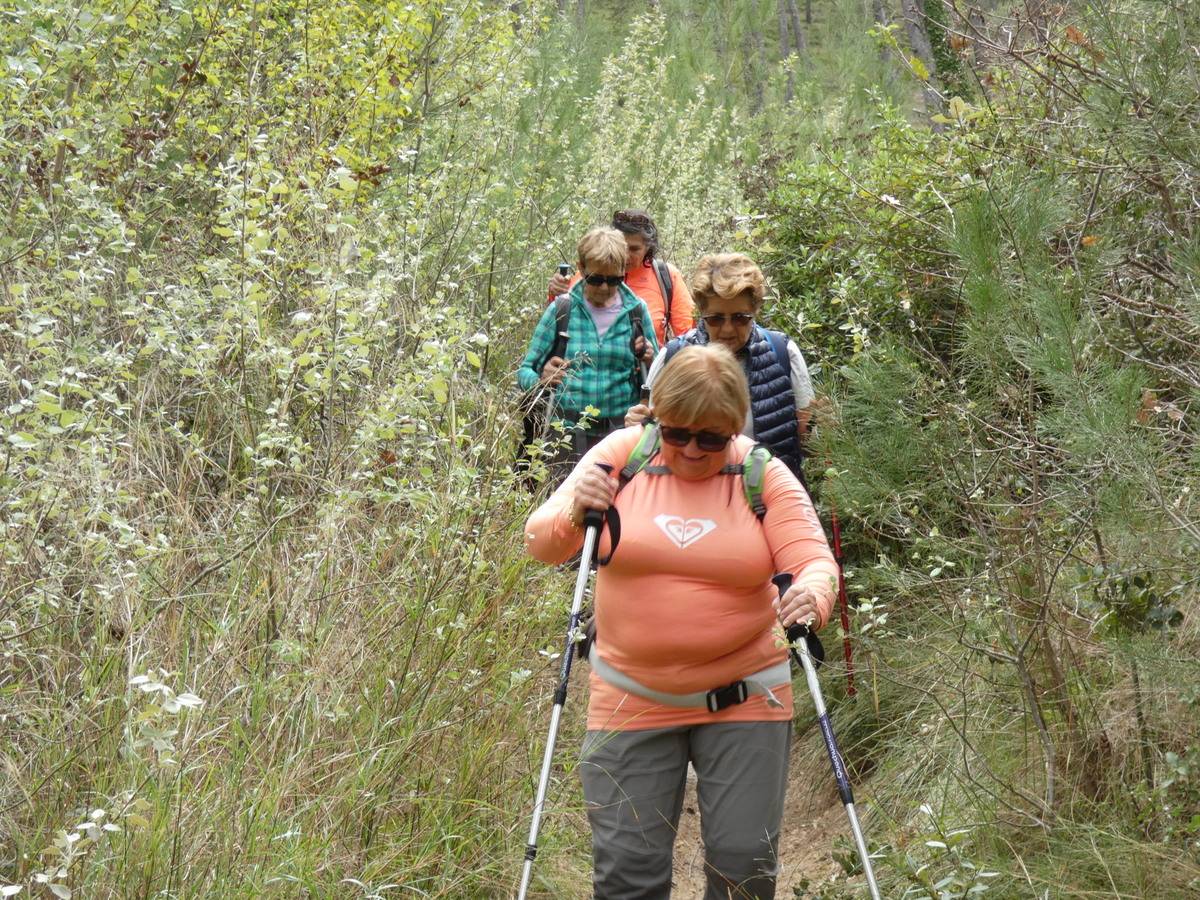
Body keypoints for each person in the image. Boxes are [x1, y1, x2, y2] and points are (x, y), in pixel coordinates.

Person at [524, 344, 838, 899]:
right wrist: (575, 509)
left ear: (735, 428)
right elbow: (543, 541)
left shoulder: (762, 473)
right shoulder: (623, 456)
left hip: (746, 694)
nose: (693, 449)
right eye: (678, 433)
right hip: (629, 693)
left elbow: (813, 561)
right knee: (627, 871)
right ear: (657, 417)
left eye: (712, 438)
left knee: (744, 866)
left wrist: (811, 596)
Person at [626, 252, 815, 485]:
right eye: (715, 318)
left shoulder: (782, 352)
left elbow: (809, 436)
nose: (727, 329)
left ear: (755, 311)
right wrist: (636, 426)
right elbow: (650, 431)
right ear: (702, 313)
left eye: (740, 318)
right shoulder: (674, 357)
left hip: (767, 496)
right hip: (692, 495)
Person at [518, 226, 657, 470]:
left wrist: (648, 357)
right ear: (581, 268)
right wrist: (542, 379)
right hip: (565, 434)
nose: (604, 287)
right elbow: (525, 371)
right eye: (596, 279)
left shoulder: (636, 311)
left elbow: (657, 377)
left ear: (624, 271)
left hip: (620, 433)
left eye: (613, 280)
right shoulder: (562, 309)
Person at [549, 209, 694, 345]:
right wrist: (554, 294)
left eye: (634, 249)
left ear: (648, 247)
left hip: (649, 369)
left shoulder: (666, 277)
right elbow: (554, 327)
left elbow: (687, 337)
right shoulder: (589, 276)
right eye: (622, 246)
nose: (626, 255)